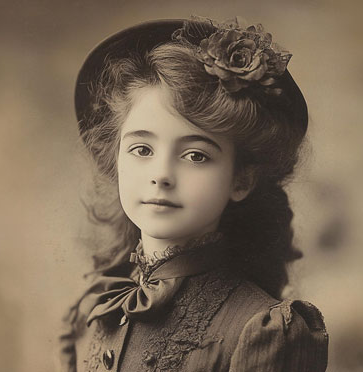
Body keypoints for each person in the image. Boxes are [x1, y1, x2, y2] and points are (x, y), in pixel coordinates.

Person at [62, 16, 329, 372]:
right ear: (116, 157)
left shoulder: (263, 330)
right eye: (142, 149)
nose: (161, 175)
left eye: (195, 156)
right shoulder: (103, 306)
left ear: (241, 180)